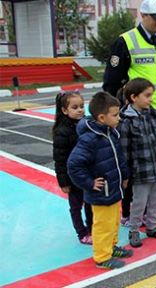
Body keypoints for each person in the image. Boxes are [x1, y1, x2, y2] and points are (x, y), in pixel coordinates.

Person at [103, 0, 156, 208]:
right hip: (136, 112)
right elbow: (112, 80)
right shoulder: (126, 42)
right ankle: (131, 199)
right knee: (135, 155)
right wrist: (113, 110)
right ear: (143, 16)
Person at [68, 92, 133, 269]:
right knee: (103, 225)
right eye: (115, 115)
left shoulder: (110, 133)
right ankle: (102, 257)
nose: (119, 118)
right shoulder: (90, 139)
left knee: (113, 222)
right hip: (101, 193)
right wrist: (89, 183)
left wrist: (125, 175)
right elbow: (74, 165)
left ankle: (111, 247)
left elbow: (119, 158)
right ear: (102, 117)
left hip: (114, 189)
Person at [117, 78, 156, 248]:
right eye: (147, 96)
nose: (150, 99)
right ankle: (134, 230)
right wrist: (126, 173)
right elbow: (124, 151)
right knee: (139, 203)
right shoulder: (126, 121)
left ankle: (152, 227)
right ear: (134, 97)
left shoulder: (155, 115)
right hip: (140, 172)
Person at [52, 91, 92, 245]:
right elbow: (60, 159)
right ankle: (82, 233)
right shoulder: (62, 132)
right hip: (72, 177)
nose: (80, 110)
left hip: (87, 175)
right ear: (64, 110)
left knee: (89, 204)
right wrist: (63, 181)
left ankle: (91, 229)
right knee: (76, 206)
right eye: (75, 107)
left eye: (82, 106)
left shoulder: (87, 124)